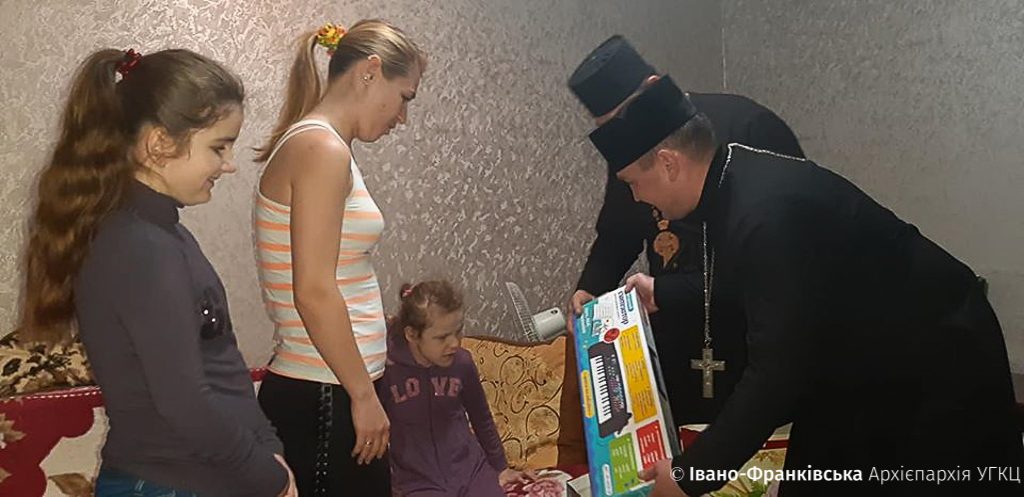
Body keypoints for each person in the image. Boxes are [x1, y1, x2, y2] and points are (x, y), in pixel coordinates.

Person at [586, 76, 1023, 496]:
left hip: (934, 354)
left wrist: (690, 476)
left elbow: (774, 376)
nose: (637, 198)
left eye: (633, 184)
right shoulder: (730, 178)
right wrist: (663, 293)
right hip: (854, 351)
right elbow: (763, 283)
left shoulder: (763, 214)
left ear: (668, 163)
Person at [18, 48, 295, 496]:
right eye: (218, 147)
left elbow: (221, 365)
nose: (228, 164)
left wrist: (269, 450)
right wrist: (269, 477)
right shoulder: (139, 247)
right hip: (169, 483)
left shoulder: (163, 233)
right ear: (160, 144)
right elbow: (186, 402)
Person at [558, 35, 805, 462]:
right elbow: (617, 232)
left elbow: (782, 269)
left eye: (620, 120)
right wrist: (589, 288)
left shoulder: (750, 128)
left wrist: (669, 291)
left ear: (654, 88)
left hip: (748, 338)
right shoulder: (630, 143)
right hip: (676, 337)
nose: (619, 138)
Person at [253, 19, 426, 497]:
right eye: (405, 97)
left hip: (333, 388)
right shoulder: (320, 147)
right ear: (370, 72)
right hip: (325, 394)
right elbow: (313, 291)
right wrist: (363, 394)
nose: (403, 117)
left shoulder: (328, 146)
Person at [379, 280, 535, 496]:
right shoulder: (387, 371)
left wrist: (500, 467)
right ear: (412, 335)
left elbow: (482, 417)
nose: (454, 343)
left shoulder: (462, 363)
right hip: (416, 483)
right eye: (442, 337)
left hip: (471, 471)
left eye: (458, 331)